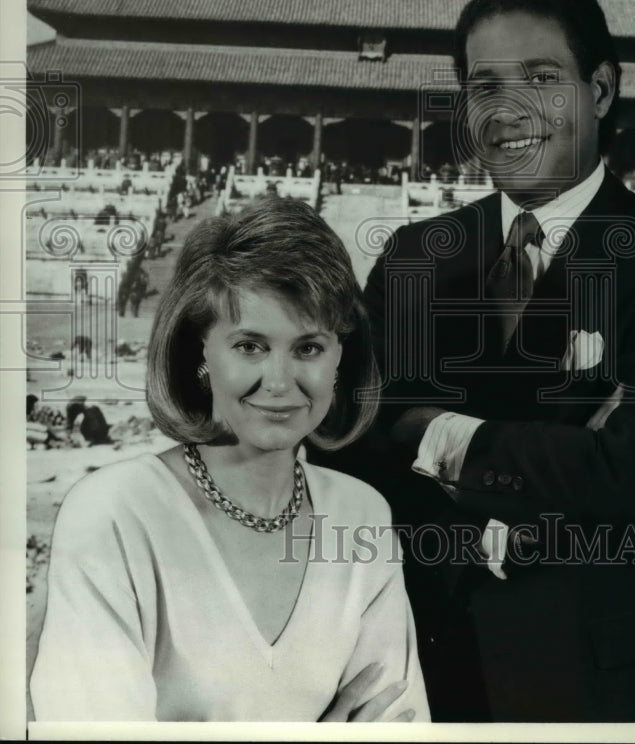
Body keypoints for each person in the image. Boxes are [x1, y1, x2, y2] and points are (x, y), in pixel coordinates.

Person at [345, 0, 635, 722]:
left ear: (599, 88)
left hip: (606, 686)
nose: (509, 110)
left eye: (540, 78)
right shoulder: (414, 257)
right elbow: (346, 445)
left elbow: (632, 473)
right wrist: (522, 487)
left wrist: (428, 431)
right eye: (484, 84)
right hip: (428, 666)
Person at [30, 198, 429, 723]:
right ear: (200, 352)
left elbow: (401, 728)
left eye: (308, 348)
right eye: (250, 346)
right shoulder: (113, 514)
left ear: (341, 359)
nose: (281, 383)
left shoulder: (361, 515)